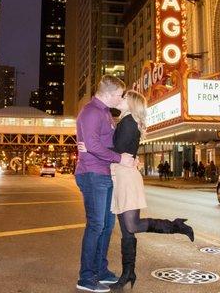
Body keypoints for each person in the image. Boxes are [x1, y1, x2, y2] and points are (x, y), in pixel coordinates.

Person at [109, 90, 194, 290]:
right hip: (121, 176)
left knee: (132, 226)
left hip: (126, 178)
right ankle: (128, 273)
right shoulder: (125, 121)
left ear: (131, 103)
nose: (120, 99)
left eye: (124, 97)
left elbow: (116, 150)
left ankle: (176, 226)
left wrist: (92, 148)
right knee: (126, 231)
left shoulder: (129, 122)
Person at [75, 75, 137, 293]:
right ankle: (86, 277)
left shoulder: (104, 113)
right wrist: (120, 159)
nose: (120, 98)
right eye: (120, 95)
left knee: (107, 225)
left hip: (104, 173)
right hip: (92, 174)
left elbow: (105, 143)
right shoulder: (91, 111)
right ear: (110, 94)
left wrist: (127, 156)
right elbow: (91, 144)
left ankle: (100, 270)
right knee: (96, 225)